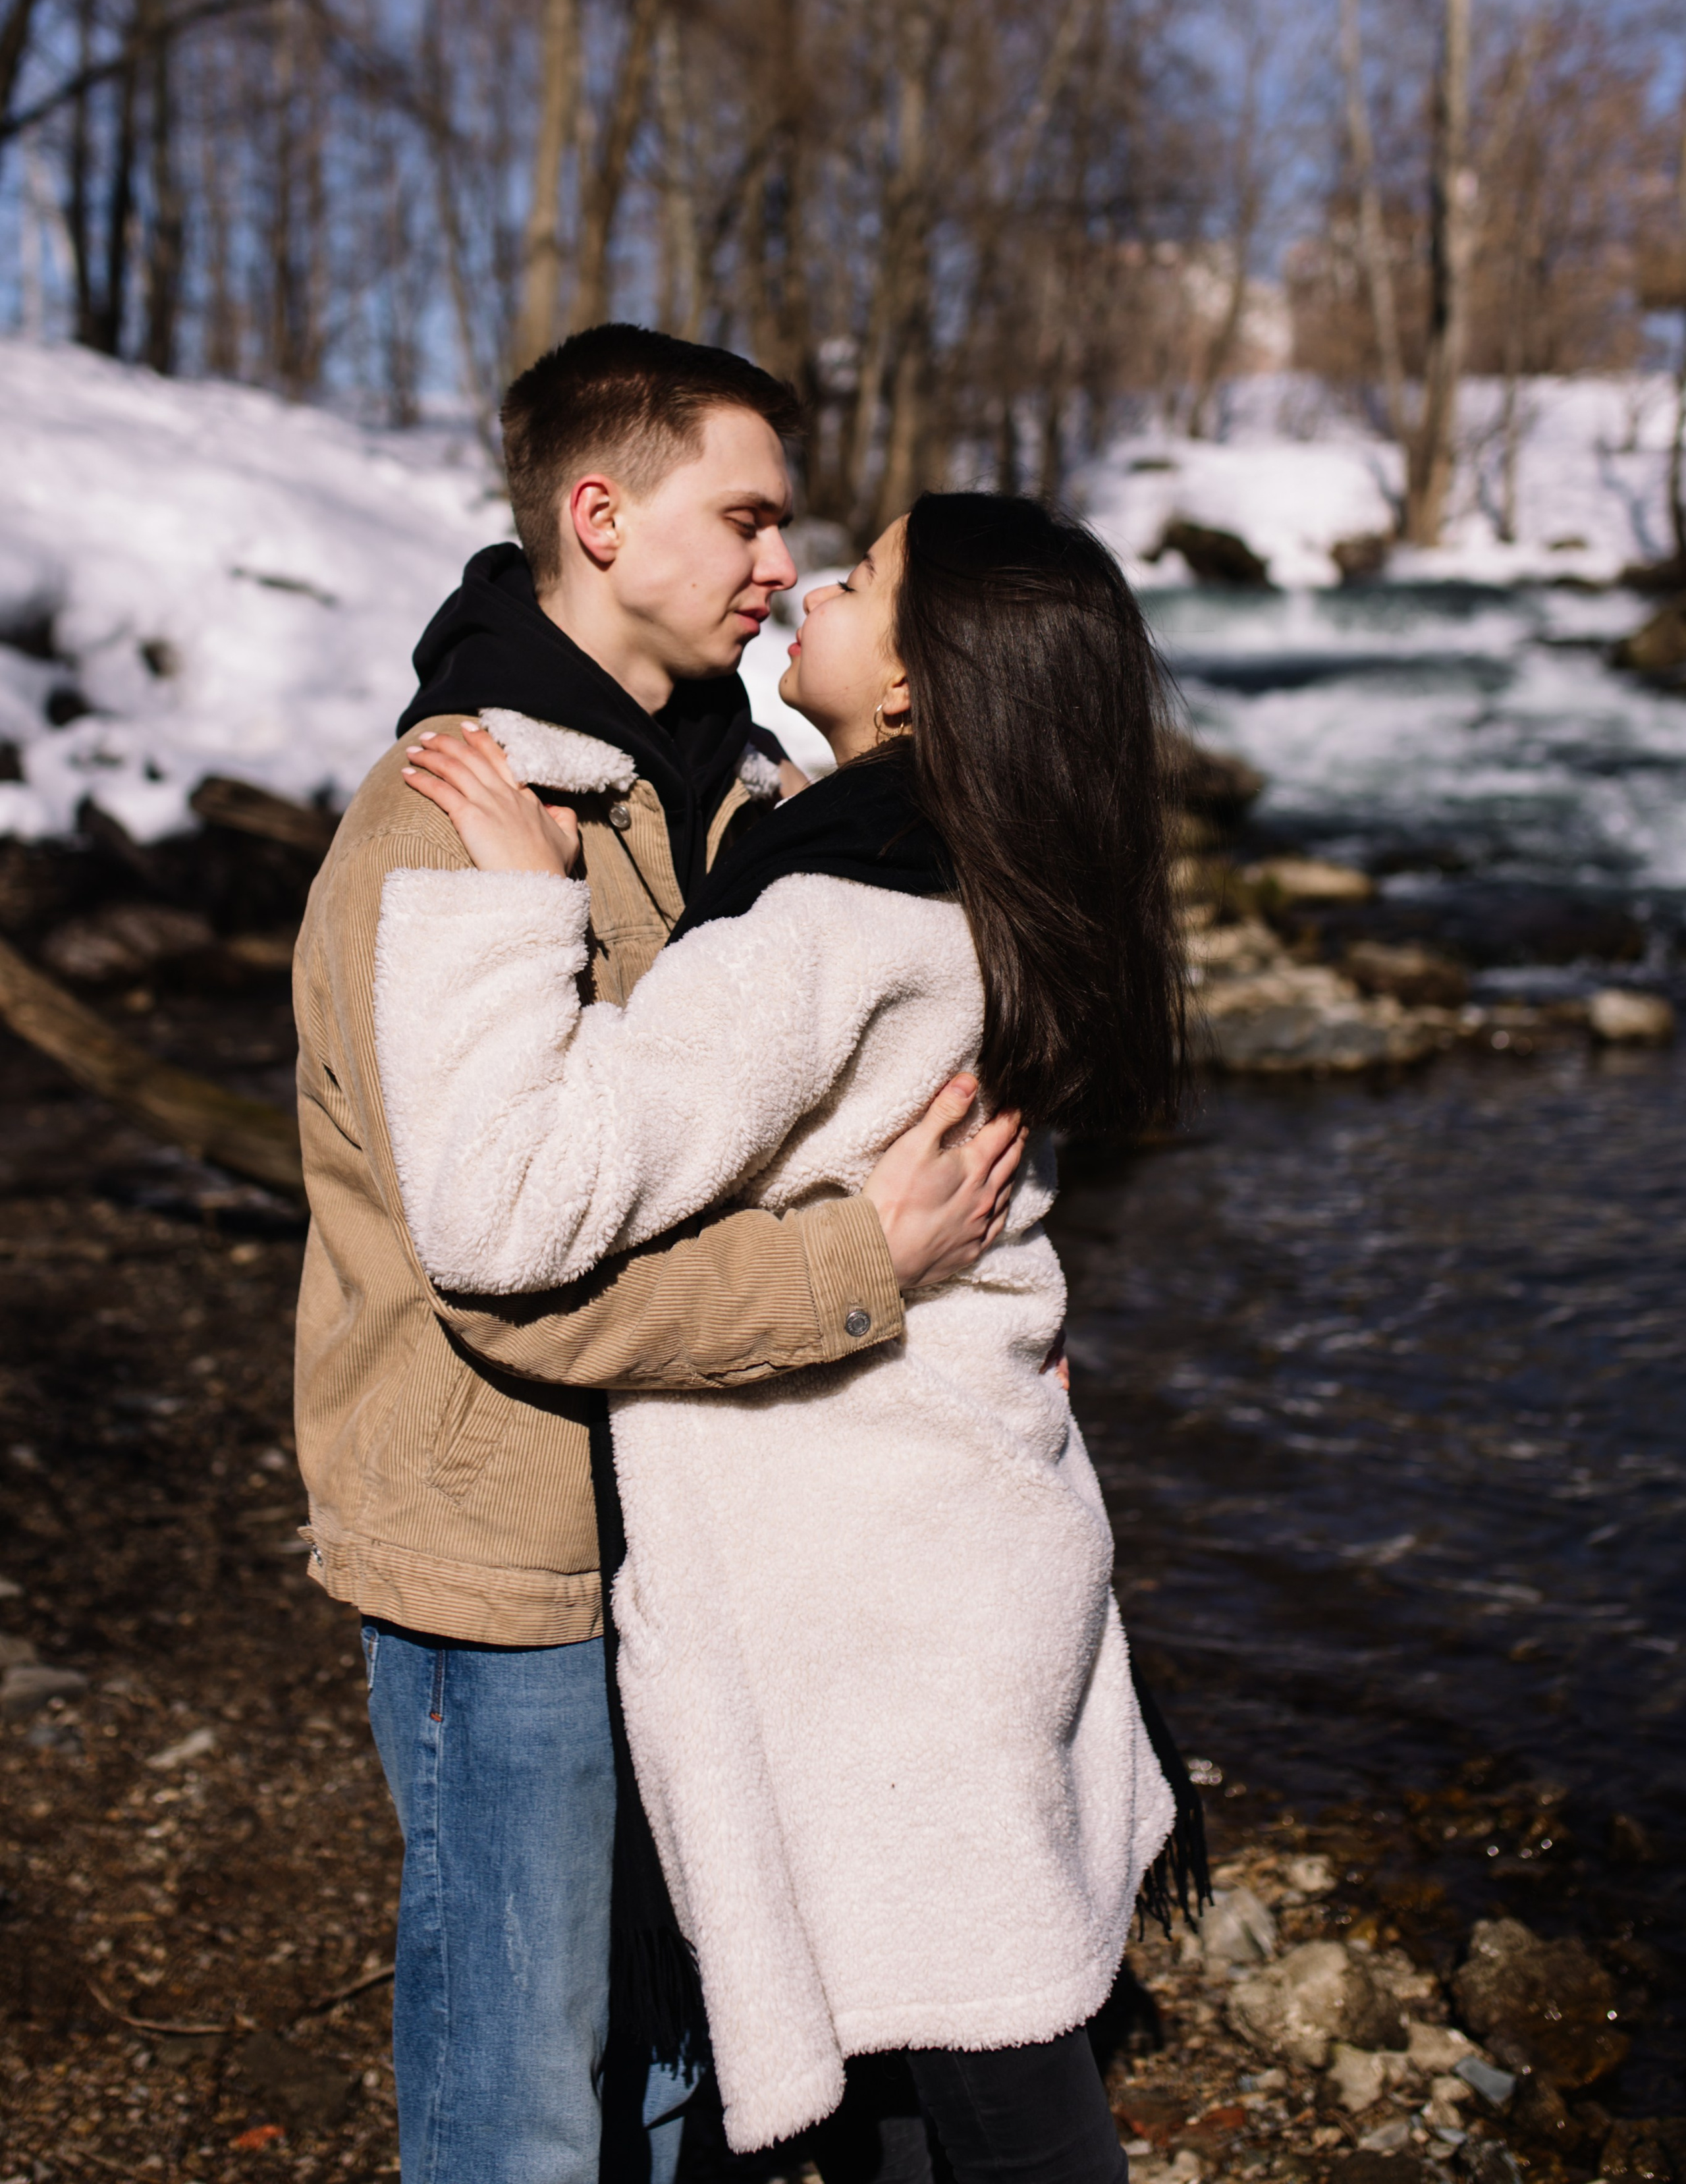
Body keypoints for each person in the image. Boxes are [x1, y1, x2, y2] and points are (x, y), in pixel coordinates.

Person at [380, 487, 1188, 2184]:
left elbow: (509, 1205)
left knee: (984, 2092)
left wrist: (513, 912)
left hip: (872, 1596)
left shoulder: (827, 921)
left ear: (925, 680)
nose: (814, 582)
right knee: (950, 2064)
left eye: (868, 574)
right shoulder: (984, 877)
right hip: (977, 1536)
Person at [291, 327, 1025, 2184]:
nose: (788, 562)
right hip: (514, 1548)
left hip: (689, 1527)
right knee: (527, 2090)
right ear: (600, 515)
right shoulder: (454, 823)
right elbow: (511, 1274)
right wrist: (873, 1265)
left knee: (685, 2065)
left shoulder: (729, 796)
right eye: (752, 517)